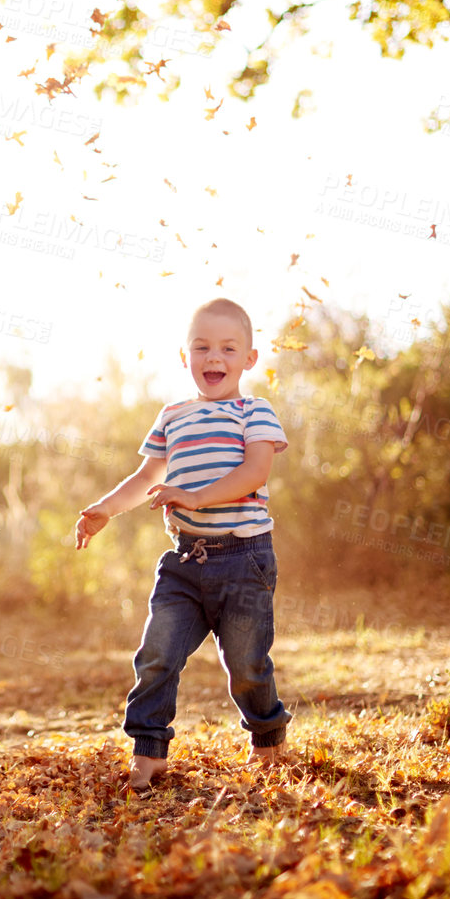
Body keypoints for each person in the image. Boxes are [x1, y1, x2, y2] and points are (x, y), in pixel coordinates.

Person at [73, 297, 293, 792]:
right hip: (185, 563)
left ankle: (268, 734)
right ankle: (148, 751)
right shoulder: (172, 416)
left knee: (247, 666)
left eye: (228, 348)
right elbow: (147, 476)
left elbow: (255, 472)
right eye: (202, 347)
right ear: (185, 356)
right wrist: (105, 508)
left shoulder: (254, 411)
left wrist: (193, 497)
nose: (214, 358)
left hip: (244, 559)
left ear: (249, 359)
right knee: (157, 655)